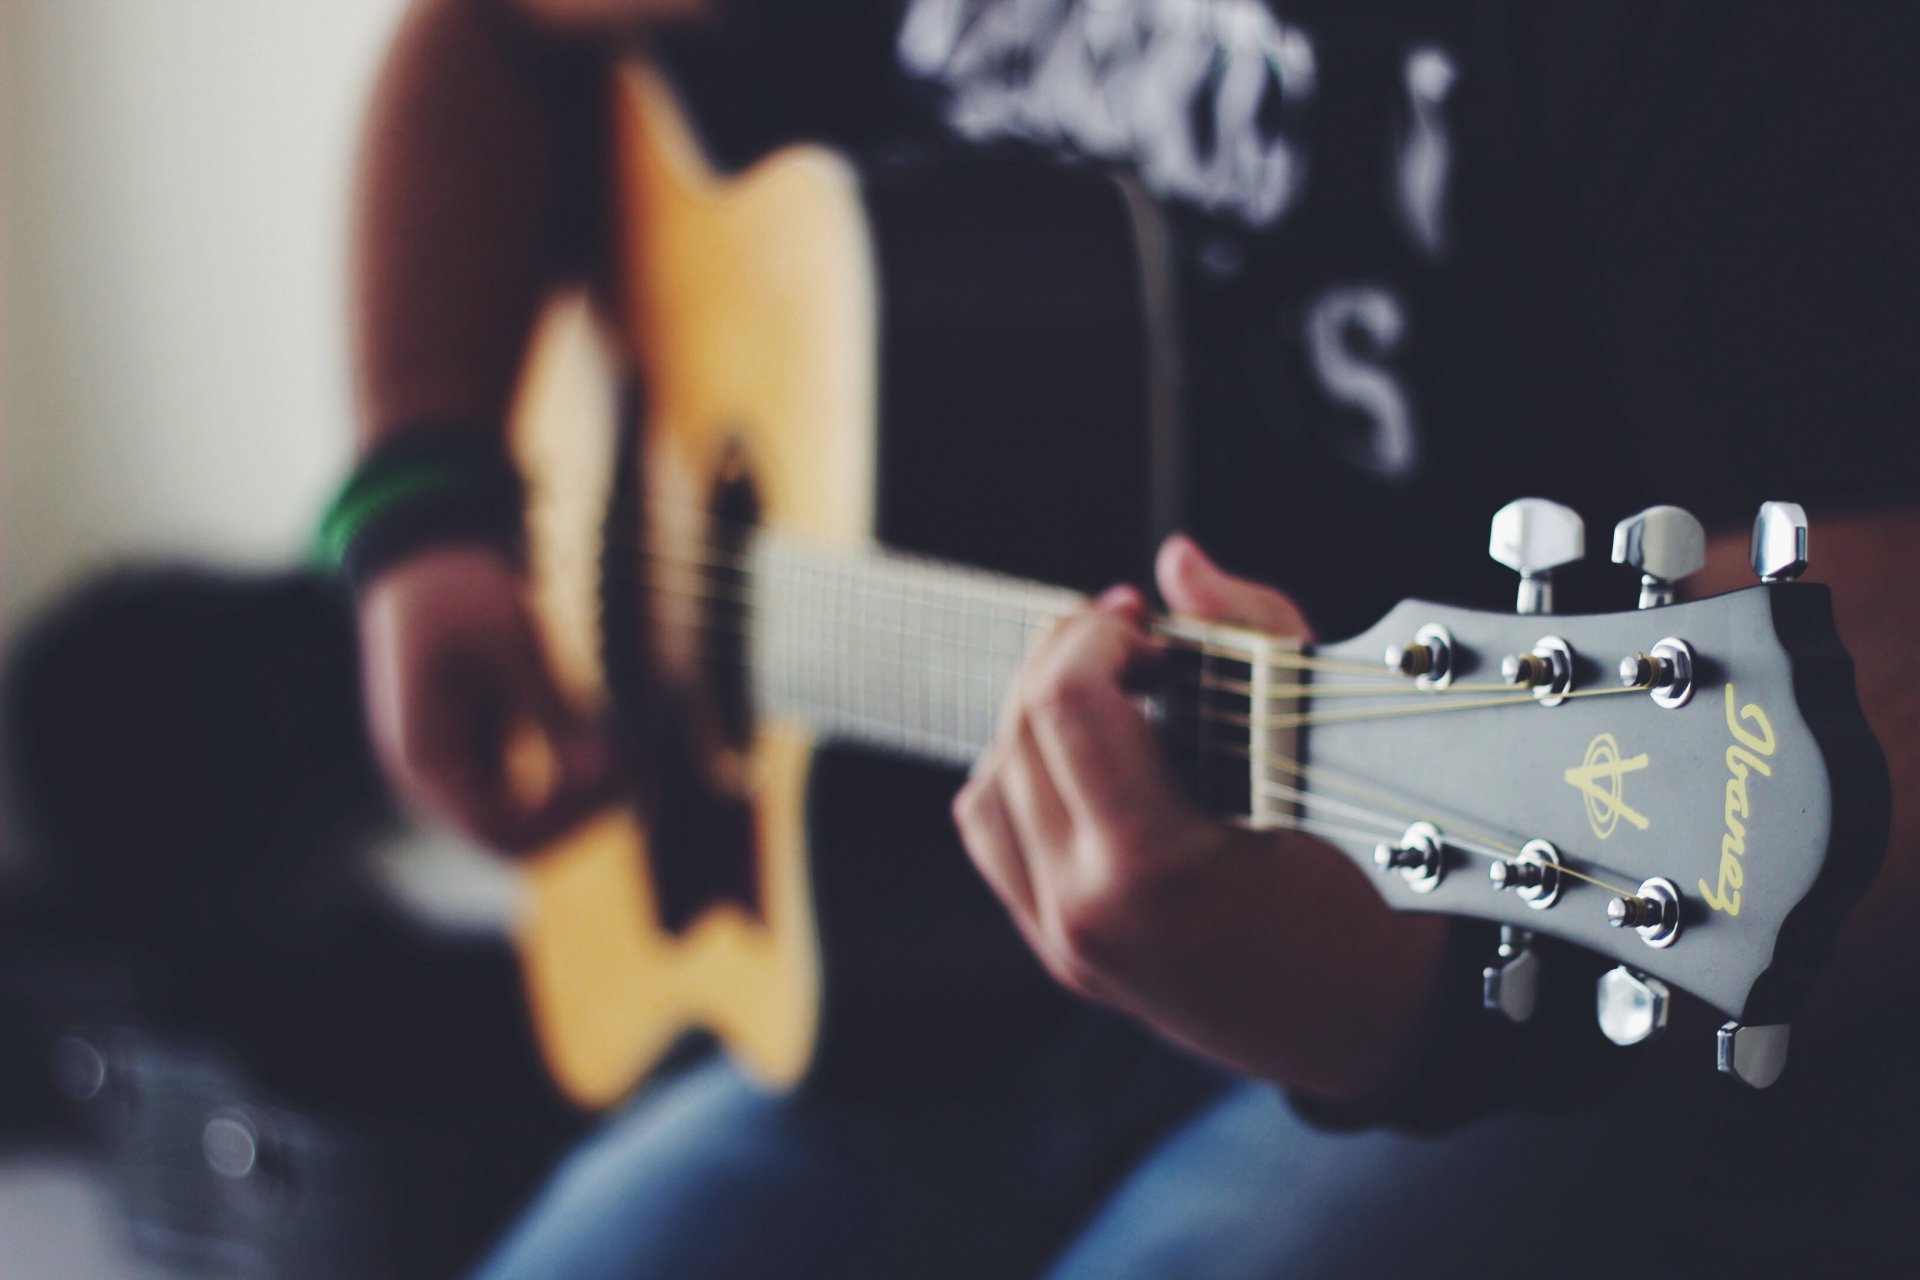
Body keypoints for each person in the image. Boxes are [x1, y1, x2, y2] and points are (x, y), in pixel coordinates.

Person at [341, 0, 1920, 1275]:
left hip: (1496, 1008)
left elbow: (1867, 672)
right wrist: (423, 505)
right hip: (910, 976)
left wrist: (1370, 987)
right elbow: (488, 37)